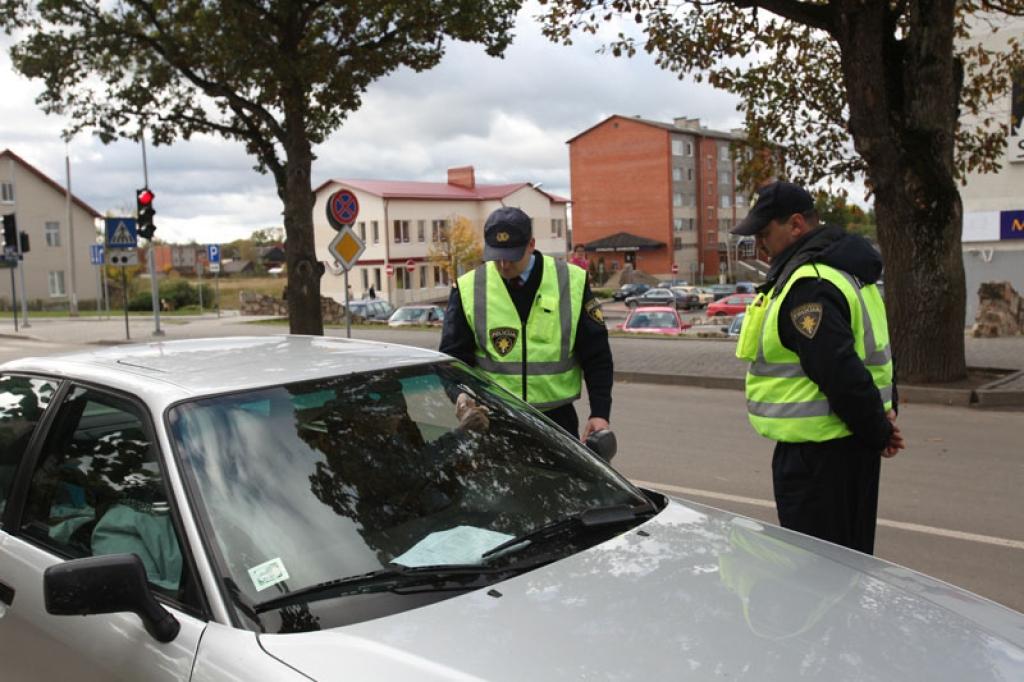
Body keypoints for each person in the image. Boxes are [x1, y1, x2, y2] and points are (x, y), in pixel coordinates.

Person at [731, 181, 904, 555]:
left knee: (817, 570)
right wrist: (882, 421)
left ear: (795, 225)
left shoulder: (809, 285)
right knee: (850, 560)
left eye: (764, 234)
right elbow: (875, 354)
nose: (759, 245)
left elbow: (840, 372)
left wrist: (878, 432)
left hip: (819, 460)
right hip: (848, 447)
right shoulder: (848, 271)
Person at [440, 206, 613, 440]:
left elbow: (597, 355)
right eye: (496, 256)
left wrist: (600, 412)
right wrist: (460, 395)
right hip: (492, 421)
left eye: (512, 256)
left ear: (531, 245)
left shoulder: (571, 282)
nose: (504, 265)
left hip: (556, 421)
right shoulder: (469, 287)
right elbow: (452, 360)